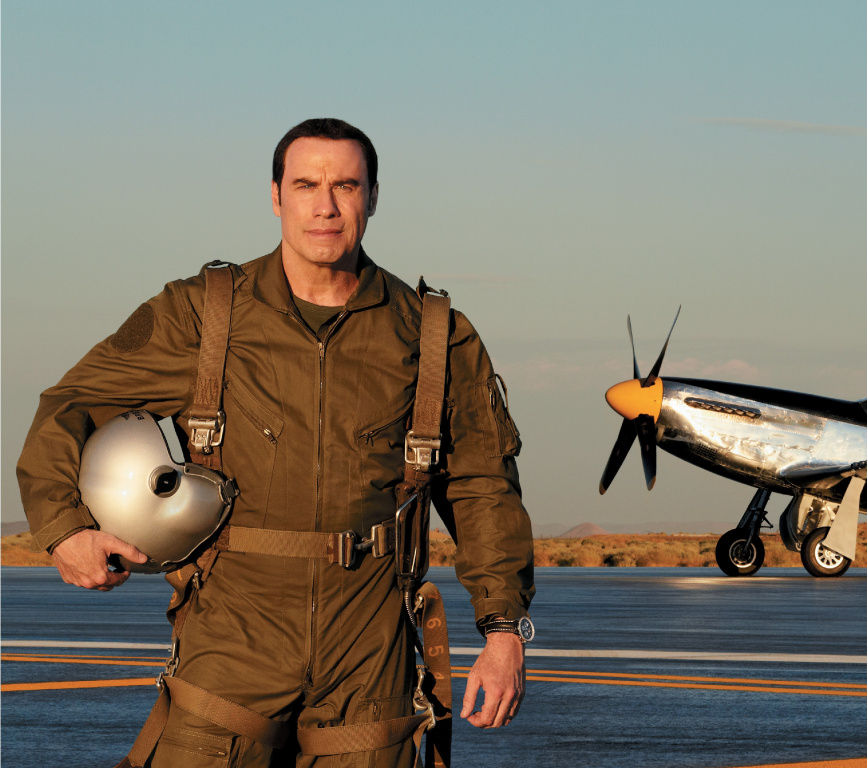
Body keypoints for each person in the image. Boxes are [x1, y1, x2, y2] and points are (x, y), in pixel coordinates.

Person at [16, 117, 535, 766]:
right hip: (232, 637)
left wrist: (503, 631)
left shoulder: (433, 335)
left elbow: (484, 486)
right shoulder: (202, 315)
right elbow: (72, 405)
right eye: (306, 184)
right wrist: (64, 530)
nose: (325, 205)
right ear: (275, 195)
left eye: (346, 185)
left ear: (372, 198)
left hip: (369, 647)